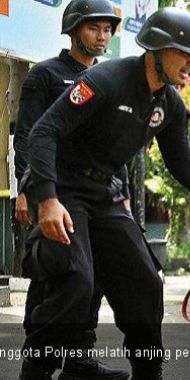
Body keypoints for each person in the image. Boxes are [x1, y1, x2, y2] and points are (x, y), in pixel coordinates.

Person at [21, 7, 190, 380]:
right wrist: (46, 198)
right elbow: (42, 132)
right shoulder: (107, 78)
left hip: (105, 193)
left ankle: (148, 373)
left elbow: (185, 165)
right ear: (159, 49)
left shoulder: (169, 104)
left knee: (146, 282)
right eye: (186, 57)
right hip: (63, 188)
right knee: (75, 282)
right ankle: (37, 369)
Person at [15, 1, 130, 379]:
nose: (103, 36)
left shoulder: (111, 79)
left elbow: (116, 145)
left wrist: (123, 192)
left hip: (100, 197)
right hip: (53, 191)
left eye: (108, 29)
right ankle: (38, 363)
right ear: (73, 28)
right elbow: (30, 136)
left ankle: (80, 359)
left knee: (92, 277)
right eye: (94, 28)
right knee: (56, 275)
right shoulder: (46, 76)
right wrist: (25, 190)